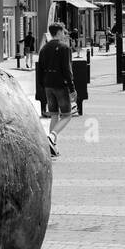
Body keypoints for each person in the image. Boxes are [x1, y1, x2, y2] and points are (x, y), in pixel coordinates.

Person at [37, 23, 75, 157]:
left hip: (48, 85)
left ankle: (52, 147)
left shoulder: (44, 49)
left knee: (54, 114)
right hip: (60, 84)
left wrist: (41, 87)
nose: (65, 35)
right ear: (58, 33)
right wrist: (72, 89)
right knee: (67, 115)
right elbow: (67, 70)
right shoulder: (65, 48)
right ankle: (52, 136)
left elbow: (39, 69)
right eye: (64, 32)